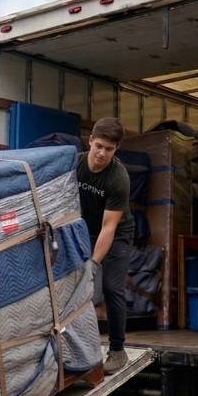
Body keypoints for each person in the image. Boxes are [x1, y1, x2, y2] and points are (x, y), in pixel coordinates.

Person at [77, 117, 135, 375]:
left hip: (118, 233)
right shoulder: (75, 164)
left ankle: (117, 350)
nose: (101, 153)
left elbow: (109, 227)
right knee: (76, 288)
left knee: (111, 287)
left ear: (116, 149)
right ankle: (79, 349)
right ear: (90, 140)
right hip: (85, 229)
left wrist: (94, 263)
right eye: (98, 146)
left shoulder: (118, 178)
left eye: (108, 149)